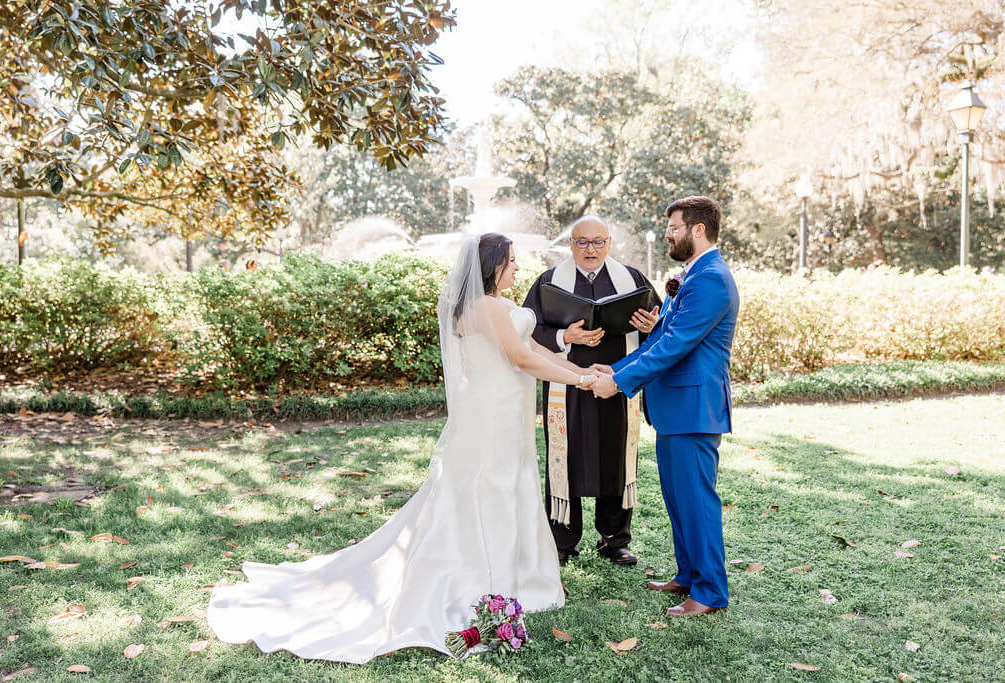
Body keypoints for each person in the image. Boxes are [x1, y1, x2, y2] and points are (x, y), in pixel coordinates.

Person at [208, 233, 603, 663]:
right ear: (491, 266)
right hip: (493, 418)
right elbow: (522, 360)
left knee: (507, 486)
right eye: (510, 262)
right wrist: (584, 382)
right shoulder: (485, 306)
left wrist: (584, 367)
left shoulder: (490, 305)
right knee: (490, 489)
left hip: (506, 413)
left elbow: (532, 348)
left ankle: (520, 575)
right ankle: (487, 577)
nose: (516, 268)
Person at [590, 196, 739, 617]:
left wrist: (618, 384)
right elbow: (659, 338)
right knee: (678, 499)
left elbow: (676, 345)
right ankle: (688, 576)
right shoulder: (693, 275)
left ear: (697, 230)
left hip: (694, 409)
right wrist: (614, 366)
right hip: (676, 409)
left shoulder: (710, 278)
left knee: (696, 501)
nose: (668, 234)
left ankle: (709, 592)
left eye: (674, 228)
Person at [522, 216, 660, 567]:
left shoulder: (633, 280)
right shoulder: (550, 282)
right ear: (571, 243)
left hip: (618, 381)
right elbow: (525, 330)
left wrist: (653, 324)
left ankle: (614, 539)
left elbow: (661, 328)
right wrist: (563, 337)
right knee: (566, 456)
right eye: (582, 242)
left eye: (598, 242)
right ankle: (563, 539)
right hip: (565, 384)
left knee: (615, 453)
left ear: (609, 242)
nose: (590, 249)